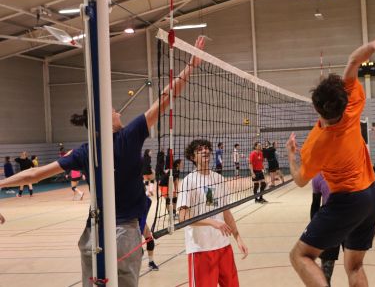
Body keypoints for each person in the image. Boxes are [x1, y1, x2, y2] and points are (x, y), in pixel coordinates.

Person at [0, 36, 205, 286]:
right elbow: (164, 99)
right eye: (113, 111)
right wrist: (191, 66)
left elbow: (34, 175)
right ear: (103, 121)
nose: (118, 112)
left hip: (93, 234)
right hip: (124, 235)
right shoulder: (128, 137)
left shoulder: (84, 151)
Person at [286, 29, 375, 286]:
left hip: (348, 201)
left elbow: (301, 180)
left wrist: (292, 155)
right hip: (373, 196)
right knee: (355, 265)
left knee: (301, 255)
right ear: (343, 99)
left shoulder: (316, 145)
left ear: (316, 107)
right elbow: (353, 61)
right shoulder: (351, 107)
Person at [178, 139, 248, 287]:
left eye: (206, 148)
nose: (205, 151)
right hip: (201, 249)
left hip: (223, 247)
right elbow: (183, 217)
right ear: (192, 157)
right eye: (199, 149)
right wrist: (212, 222)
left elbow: (226, 212)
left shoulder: (219, 179)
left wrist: (238, 237)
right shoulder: (188, 181)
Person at [310, 173, 340, 286]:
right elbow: (315, 205)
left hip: (350, 222)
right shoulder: (318, 177)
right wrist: (314, 227)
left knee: (354, 268)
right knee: (326, 273)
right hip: (329, 225)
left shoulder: (347, 170)